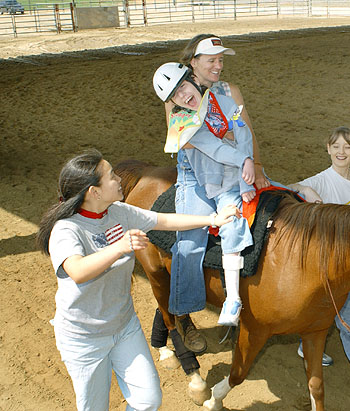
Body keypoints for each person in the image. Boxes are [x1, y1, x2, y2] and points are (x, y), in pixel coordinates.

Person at [36, 149, 239, 411]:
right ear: (93, 192)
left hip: (124, 327)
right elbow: (77, 270)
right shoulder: (66, 229)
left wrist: (213, 219)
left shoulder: (119, 211)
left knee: (148, 400)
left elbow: (163, 219)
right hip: (84, 338)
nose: (119, 179)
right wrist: (119, 247)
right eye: (111, 177)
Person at [289, 126, 350, 396]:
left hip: (348, 265)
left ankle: (305, 346)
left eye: (347, 147)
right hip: (327, 265)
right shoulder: (322, 180)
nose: (341, 152)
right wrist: (304, 189)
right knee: (349, 318)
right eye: (336, 146)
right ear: (328, 150)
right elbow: (289, 189)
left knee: (318, 308)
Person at [154, 61, 255, 327]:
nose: (183, 95)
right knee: (193, 236)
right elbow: (216, 149)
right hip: (211, 182)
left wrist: (247, 171)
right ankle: (188, 309)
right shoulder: (183, 122)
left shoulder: (222, 100)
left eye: (184, 86)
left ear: (192, 79)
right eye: (175, 95)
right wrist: (243, 160)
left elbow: (242, 132)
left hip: (238, 173)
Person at [168, 34, 270, 190]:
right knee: (201, 214)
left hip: (235, 166)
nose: (219, 66)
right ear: (193, 62)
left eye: (220, 60)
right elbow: (181, 140)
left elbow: (247, 131)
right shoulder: (175, 96)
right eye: (211, 60)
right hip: (195, 172)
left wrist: (256, 165)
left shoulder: (230, 90)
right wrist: (226, 134)